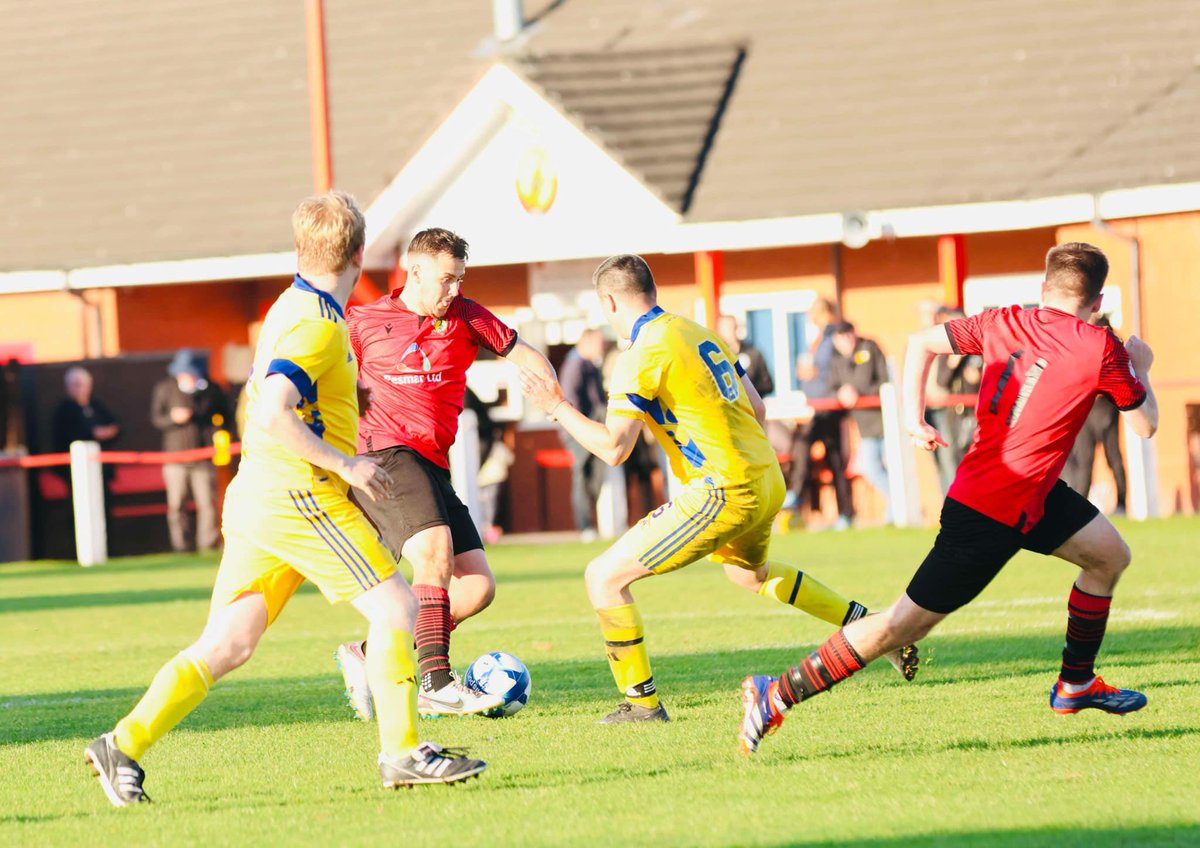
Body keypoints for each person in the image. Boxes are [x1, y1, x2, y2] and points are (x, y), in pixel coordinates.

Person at [84, 192, 485, 807]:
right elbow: (273, 410)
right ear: (359, 252)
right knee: (397, 609)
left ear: (301, 249)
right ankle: (405, 752)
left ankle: (123, 743)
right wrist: (345, 462)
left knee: (229, 644)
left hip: (257, 496)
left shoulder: (293, 303)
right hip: (299, 495)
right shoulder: (321, 323)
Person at [739, 243, 1158, 755]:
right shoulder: (1103, 348)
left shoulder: (1006, 320)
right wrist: (1141, 368)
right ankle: (774, 694)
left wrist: (913, 418)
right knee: (900, 625)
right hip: (990, 511)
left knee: (1109, 555)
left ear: (1043, 289)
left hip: (1029, 494)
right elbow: (1145, 424)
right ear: (1095, 302)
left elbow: (920, 343)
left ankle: (1075, 685)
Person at [518, 255, 917, 724]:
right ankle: (875, 629)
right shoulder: (698, 331)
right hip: (766, 478)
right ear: (653, 289)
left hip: (721, 490)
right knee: (749, 574)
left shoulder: (641, 355)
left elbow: (612, 449)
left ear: (608, 301)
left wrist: (556, 405)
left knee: (603, 577)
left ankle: (642, 706)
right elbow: (757, 408)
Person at [334, 228, 557, 719]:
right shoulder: (363, 321)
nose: (453, 290)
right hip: (383, 455)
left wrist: (554, 400)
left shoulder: (468, 315)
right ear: (412, 272)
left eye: (458, 280)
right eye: (445, 280)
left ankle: (367, 655)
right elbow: (323, 373)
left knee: (476, 587)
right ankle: (435, 681)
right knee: (433, 553)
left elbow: (525, 353)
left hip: (432, 464)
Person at [150, 350, 230, 552]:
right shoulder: (165, 388)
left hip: (203, 456)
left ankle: (208, 544)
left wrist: (216, 432)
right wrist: (173, 419)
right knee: (176, 505)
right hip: (175, 457)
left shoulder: (210, 389)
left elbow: (224, 416)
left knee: (207, 504)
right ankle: (181, 546)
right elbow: (156, 418)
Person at [786, 299, 853, 528]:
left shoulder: (832, 337)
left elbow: (834, 369)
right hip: (818, 406)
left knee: (821, 451)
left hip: (829, 407)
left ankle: (797, 493)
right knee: (828, 455)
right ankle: (842, 511)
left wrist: (813, 373)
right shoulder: (818, 339)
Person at [1062, 316, 1127, 513]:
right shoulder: (1109, 345)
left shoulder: (1092, 343)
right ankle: (1117, 505)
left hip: (1095, 410)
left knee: (1094, 460)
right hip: (1095, 410)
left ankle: (1085, 509)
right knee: (1103, 459)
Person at [829, 321, 890, 521]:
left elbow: (885, 382)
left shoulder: (870, 349)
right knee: (871, 467)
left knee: (892, 468)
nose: (844, 340)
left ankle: (896, 509)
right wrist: (841, 392)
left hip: (886, 420)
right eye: (839, 337)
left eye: (847, 335)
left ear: (853, 333)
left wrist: (859, 393)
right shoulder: (837, 361)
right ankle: (896, 505)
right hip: (864, 426)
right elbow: (830, 387)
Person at [559, 328, 608, 538]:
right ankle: (585, 525)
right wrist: (581, 428)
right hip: (578, 433)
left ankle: (591, 524)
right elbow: (571, 401)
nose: (602, 348)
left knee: (595, 478)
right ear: (586, 342)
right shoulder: (575, 366)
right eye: (598, 343)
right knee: (582, 477)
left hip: (592, 429)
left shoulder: (590, 365)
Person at [716, 314, 774, 397]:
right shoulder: (717, 357)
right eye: (722, 329)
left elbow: (767, 385)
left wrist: (751, 395)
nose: (725, 333)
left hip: (751, 407)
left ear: (735, 328)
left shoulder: (752, 353)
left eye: (728, 328)